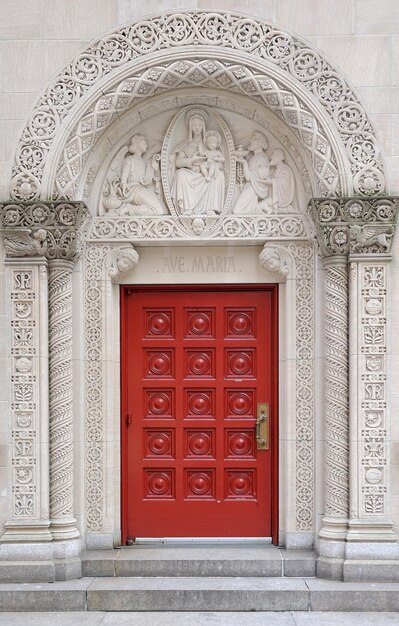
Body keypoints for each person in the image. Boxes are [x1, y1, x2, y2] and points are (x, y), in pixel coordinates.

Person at [171, 110, 225, 215]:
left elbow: (220, 160)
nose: (197, 127)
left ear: (203, 126)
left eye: (199, 125)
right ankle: (188, 208)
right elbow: (178, 162)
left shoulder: (209, 144)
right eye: (194, 125)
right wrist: (191, 161)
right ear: (190, 127)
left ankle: (210, 209)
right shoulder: (186, 145)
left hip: (206, 172)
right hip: (192, 173)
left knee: (219, 175)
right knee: (180, 174)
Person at [120, 134, 164, 215]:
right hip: (133, 190)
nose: (147, 145)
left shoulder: (144, 163)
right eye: (144, 142)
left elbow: (152, 180)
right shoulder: (130, 160)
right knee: (159, 211)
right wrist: (123, 183)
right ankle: (129, 208)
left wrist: (156, 169)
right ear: (137, 144)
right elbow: (124, 175)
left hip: (143, 190)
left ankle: (131, 209)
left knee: (160, 211)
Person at [232, 132, 271, 215]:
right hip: (249, 186)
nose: (250, 141)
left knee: (237, 211)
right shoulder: (255, 157)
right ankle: (261, 207)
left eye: (253, 140)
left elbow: (252, 178)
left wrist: (244, 163)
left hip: (253, 189)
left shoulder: (262, 158)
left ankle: (260, 207)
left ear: (259, 143)